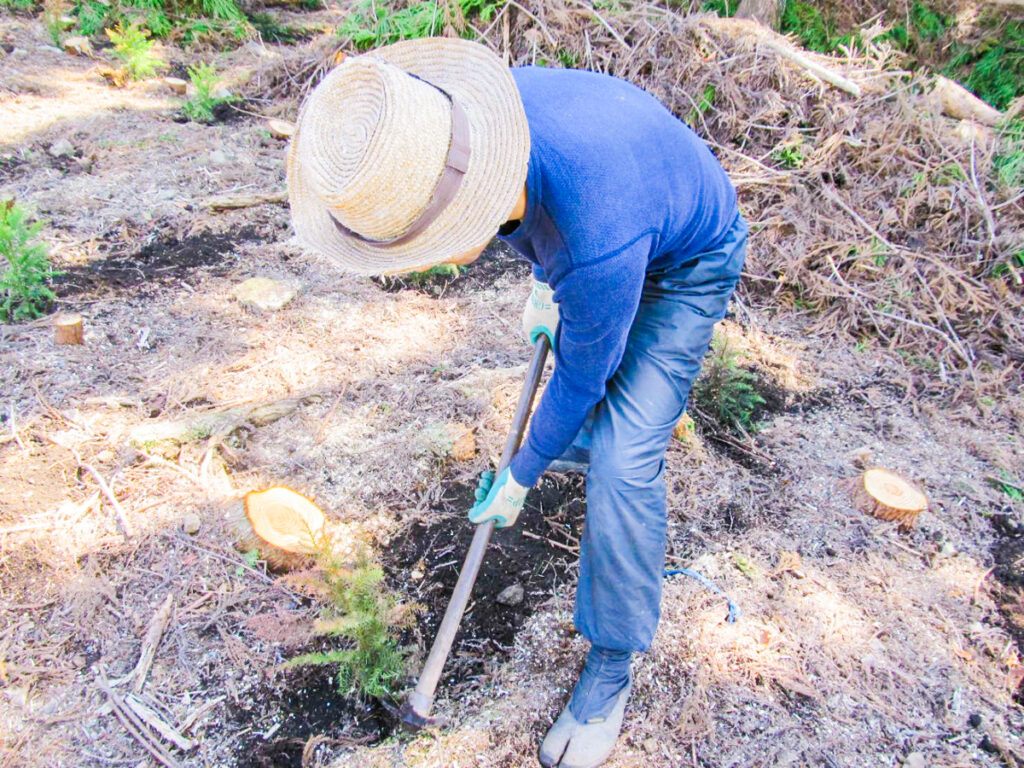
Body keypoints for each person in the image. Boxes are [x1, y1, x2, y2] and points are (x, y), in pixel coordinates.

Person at [287, 37, 746, 768]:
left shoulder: (593, 238)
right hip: (617, 223)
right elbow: (530, 207)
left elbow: (579, 377)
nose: (429, 261)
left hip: (687, 259)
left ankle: (611, 667)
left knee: (625, 460)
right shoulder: (466, 122)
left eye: (431, 243)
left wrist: (523, 471)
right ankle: (604, 426)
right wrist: (544, 281)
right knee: (589, 418)